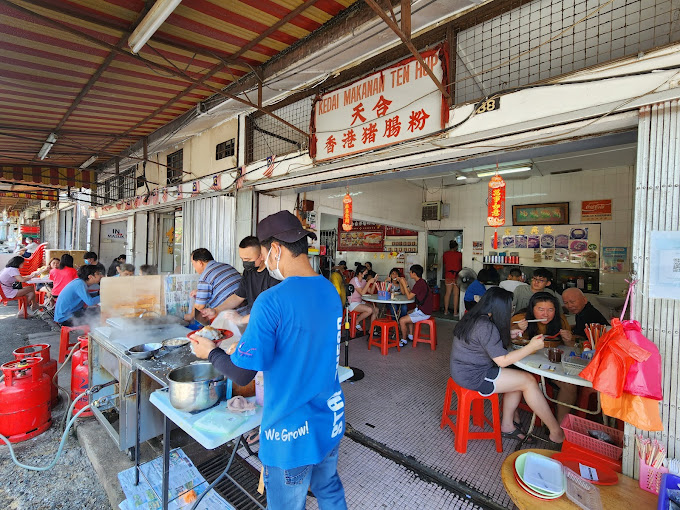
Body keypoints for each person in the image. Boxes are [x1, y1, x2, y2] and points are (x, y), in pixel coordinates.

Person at [190, 210, 347, 509]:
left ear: (274, 249)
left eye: (261, 255)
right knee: (329, 490)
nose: (261, 263)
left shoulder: (272, 300)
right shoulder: (328, 289)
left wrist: (209, 351)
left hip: (290, 434)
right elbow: (302, 343)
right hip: (330, 418)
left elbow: (242, 374)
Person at [450, 287, 565, 443]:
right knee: (528, 380)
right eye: (509, 307)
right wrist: (531, 347)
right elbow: (502, 360)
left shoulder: (474, 317)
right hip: (474, 376)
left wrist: (509, 334)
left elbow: (483, 341)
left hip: (461, 370)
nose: (511, 310)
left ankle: (508, 425)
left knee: (519, 380)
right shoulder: (485, 326)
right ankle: (556, 432)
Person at [511, 292, 575, 423]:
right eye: (540, 309)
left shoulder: (561, 320)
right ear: (532, 309)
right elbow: (505, 337)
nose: (545, 314)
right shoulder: (520, 318)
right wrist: (517, 327)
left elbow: (570, 346)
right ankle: (513, 414)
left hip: (551, 364)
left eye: (550, 310)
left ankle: (561, 424)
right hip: (523, 364)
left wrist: (568, 340)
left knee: (570, 385)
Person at [201, 236, 279, 326]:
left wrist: (241, 319)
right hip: (253, 321)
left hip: (269, 323)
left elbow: (269, 310)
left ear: (261, 256)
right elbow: (238, 297)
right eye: (242, 259)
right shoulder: (248, 271)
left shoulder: (273, 275)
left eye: (248, 259)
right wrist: (216, 310)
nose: (244, 262)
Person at [183, 248, 241, 326]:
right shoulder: (227, 266)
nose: (194, 268)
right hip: (246, 315)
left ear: (200, 263)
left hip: (232, 319)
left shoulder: (205, 276)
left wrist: (189, 316)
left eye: (193, 264)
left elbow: (199, 306)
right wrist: (199, 291)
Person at [397, 264, 433, 346]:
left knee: (402, 320)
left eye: (410, 272)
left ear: (414, 273)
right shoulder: (421, 282)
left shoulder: (419, 284)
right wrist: (405, 284)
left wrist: (403, 283)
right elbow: (411, 293)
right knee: (409, 313)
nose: (409, 273)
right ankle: (411, 335)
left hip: (424, 312)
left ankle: (404, 340)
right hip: (423, 309)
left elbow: (409, 297)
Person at [348, 264, 378, 333]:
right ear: (360, 273)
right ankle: (356, 322)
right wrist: (369, 282)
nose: (367, 274)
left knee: (376, 309)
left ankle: (371, 330)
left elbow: (371, 291)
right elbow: (362, 293)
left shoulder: (363, 281)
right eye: (365, 272)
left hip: (359, 302)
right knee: (369, 310)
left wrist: (374, 283)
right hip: (352, 303)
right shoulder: (354, 280)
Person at [443, 240, 462, 316]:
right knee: (456, 295)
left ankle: (446, 311)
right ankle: (455, 312)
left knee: (447, 294)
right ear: (456, 247)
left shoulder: (445, 254)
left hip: (448, 275)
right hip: (457, 276)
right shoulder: (459, 254)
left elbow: (445, 263)